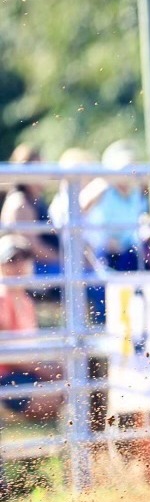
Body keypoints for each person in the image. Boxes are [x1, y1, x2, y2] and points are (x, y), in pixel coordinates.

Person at [80, 139, 150, 323]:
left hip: (131, 254)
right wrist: (107, 179)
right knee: (107, 290)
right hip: (103, 255)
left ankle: (137, 330)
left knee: (142, 282)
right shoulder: (104, 189)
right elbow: (81, 204)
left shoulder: (137, 193)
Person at [0, 235, 63, 421]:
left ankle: (87, 439)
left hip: (20, 373)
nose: (19, 264)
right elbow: (6, 353)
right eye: (12, 259)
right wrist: (44, 370)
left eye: (25, 257)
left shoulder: (25, 300)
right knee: (68, 391)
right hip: (7, 377)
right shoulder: (3, 300)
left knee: (74, 381)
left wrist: (48, 368)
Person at [0, 144, 61, 276]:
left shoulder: (34, 200)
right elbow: (32, 247)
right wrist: (65, 261)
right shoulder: (20, 203)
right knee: (88, 280)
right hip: (36, 268)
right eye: (37, 169)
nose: (42, 174)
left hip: (48, 265)